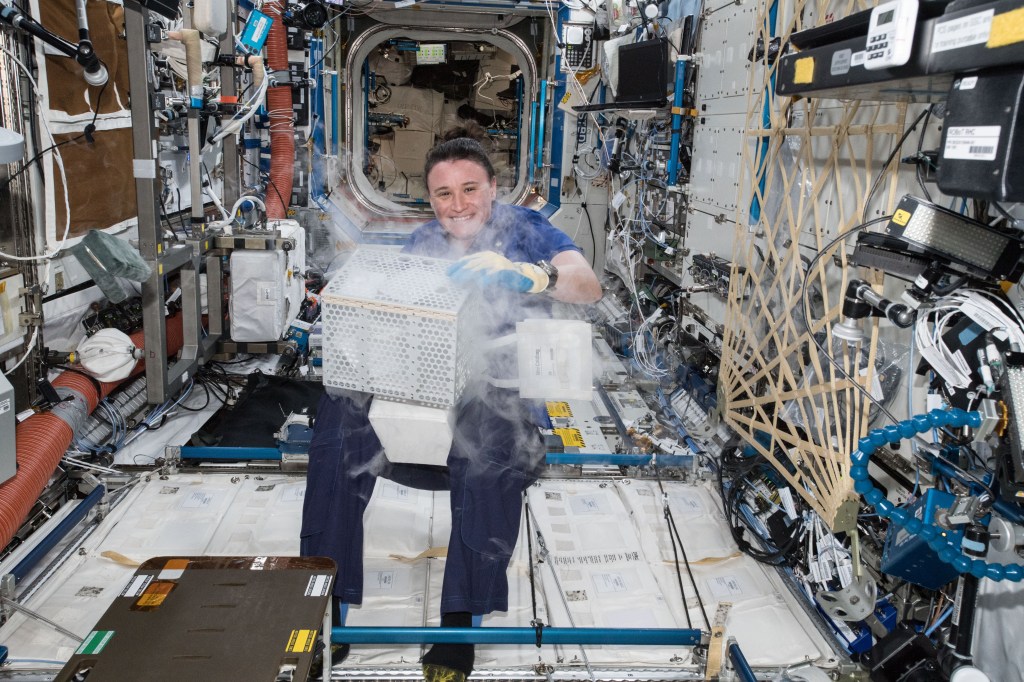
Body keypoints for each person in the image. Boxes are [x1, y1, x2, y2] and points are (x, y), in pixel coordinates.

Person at [301, 123, 602, 682]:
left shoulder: (528, 230)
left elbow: (588, 286)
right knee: (338, 417)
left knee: (490, 429)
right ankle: (327, 601)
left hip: (501, 396)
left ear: (493, 188)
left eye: (469, 188)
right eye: (443, 193)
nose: (457, 204)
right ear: (430, 199)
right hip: (425, 390)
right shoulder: (422, 245)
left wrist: (528, 276)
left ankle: (458, 622)